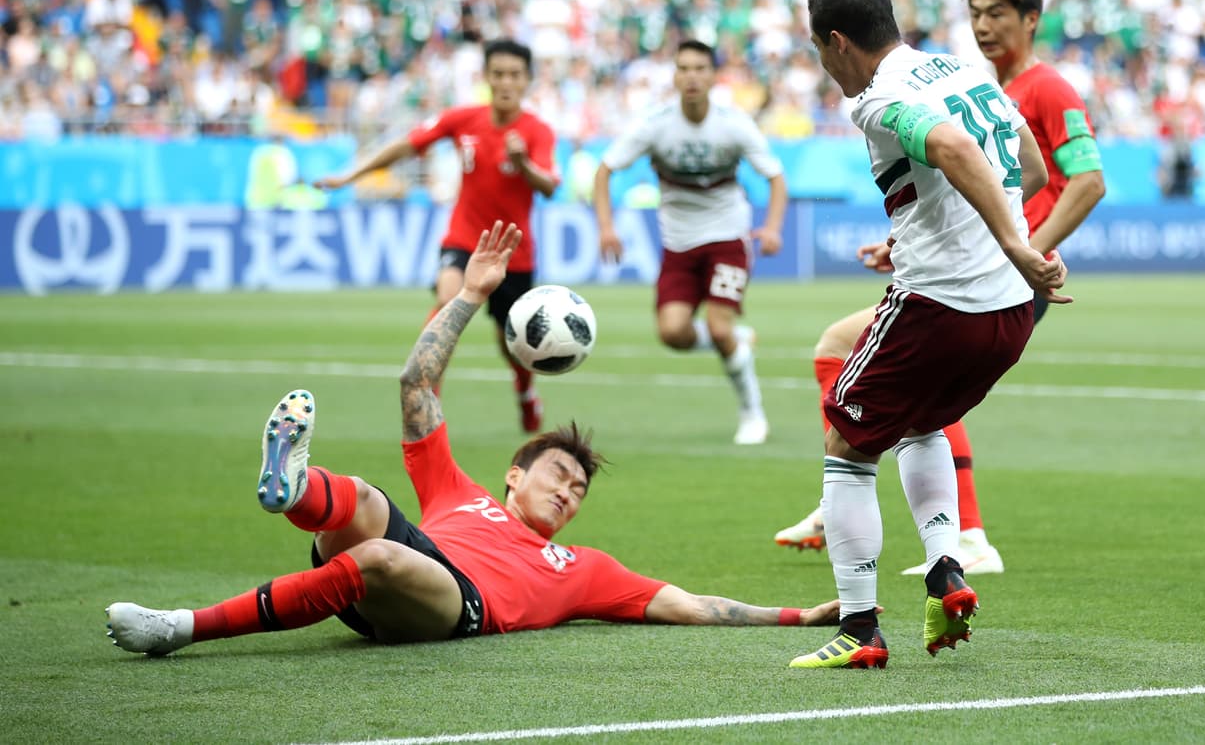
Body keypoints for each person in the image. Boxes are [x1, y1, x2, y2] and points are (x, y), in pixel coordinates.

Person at [105, 221, 841, 657]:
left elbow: (689, 603)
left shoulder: (581, 566)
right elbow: (415, 386)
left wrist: (795, 616)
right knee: (362, 498)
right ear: (513, 476)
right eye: (557, 472)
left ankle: (182, 626)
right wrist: (470, 297)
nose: (568, 491)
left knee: (385, 552)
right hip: (408, 559)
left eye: (579, 489)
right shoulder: (456, 491)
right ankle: (297, 493)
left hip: (458, 603)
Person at [773, 0, 1105, 575]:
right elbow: (1022, 172)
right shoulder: (967, 73)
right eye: (975, 11)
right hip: (1002, 285)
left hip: (970, 283)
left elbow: (1077, 178)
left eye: (996, 12)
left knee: (859, 421)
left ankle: (863, 595)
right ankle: (949, 548)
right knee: (922, 410)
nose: (982, 24)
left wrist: (1018, 244)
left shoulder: (893, 98)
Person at [314, 40, 560, 433]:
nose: (506, 82)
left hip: (513, 252)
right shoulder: (463, 119)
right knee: (448, 300)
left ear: (527, 80)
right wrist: (349, 175)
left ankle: (525, 393)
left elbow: (548, 184)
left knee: (511, 342)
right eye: (498, 74)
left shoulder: (537, 131)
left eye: (515, 75)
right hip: (464, 240)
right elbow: (406, 146)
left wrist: (522, 163)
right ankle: (426, 397)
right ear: (486, 77)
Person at [592, 39, 788, 445]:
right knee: (672, 332)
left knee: (718, 327)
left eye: (700, 68)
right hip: (677, 243)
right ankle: (738, 340)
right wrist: (606, 228)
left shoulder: (733, 123)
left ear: (713, 75)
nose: (692, 76)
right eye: (684, 68)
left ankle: (752, 413)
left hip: (727, 236)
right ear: (675, 76)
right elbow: (605, 170)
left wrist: (771, 228)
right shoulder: (655, 124)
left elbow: (776, 177)